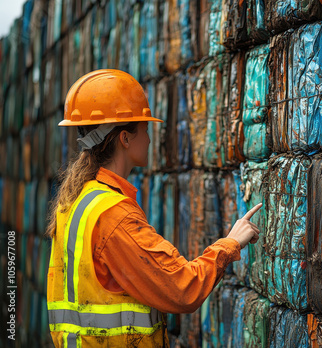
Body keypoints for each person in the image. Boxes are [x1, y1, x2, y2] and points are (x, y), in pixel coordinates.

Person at [46, 69, 262, 347]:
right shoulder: (113, 214)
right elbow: (181, 290)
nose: (149, 140)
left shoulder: (76, 201)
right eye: (145, 130)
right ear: (125, 138)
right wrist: (231, 243)